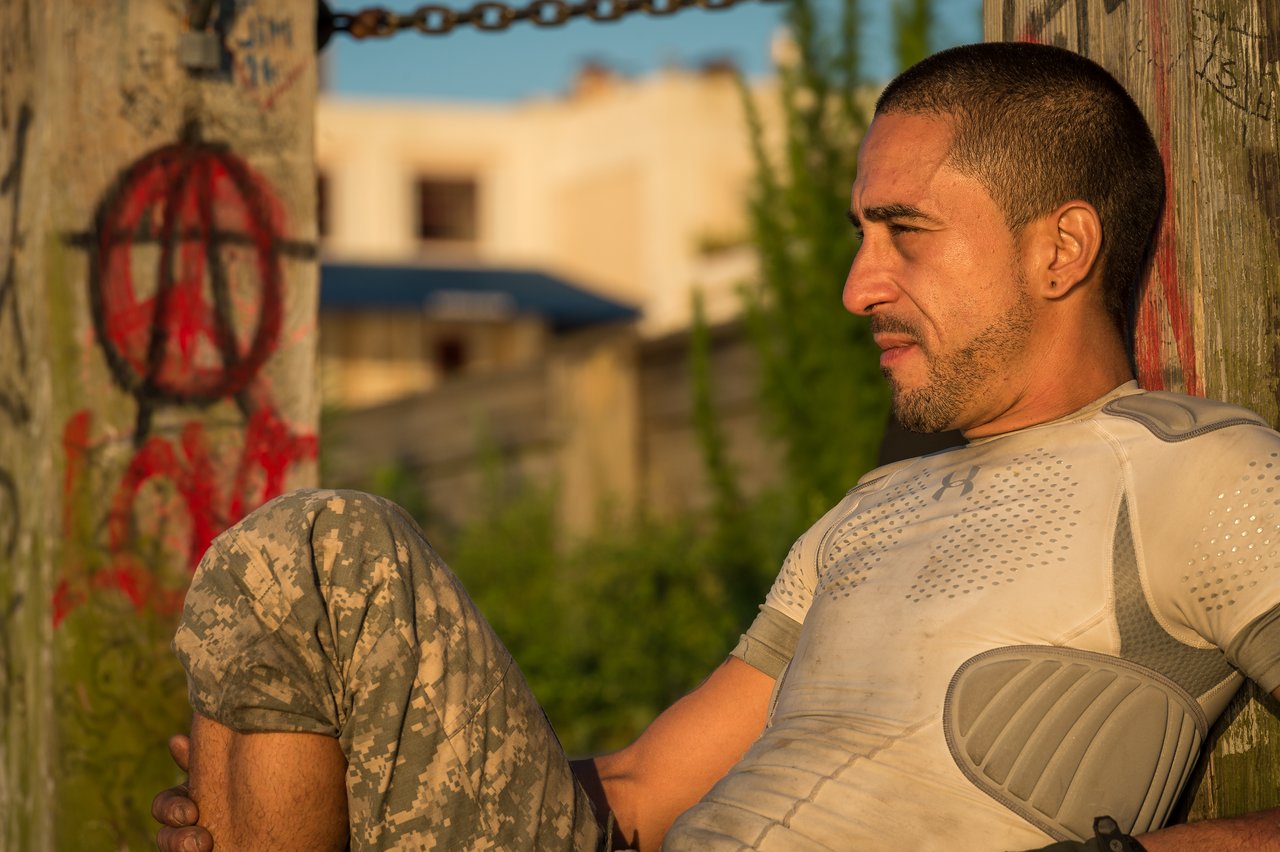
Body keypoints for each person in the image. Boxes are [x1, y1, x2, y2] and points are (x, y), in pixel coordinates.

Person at [153, 41, 1280, 851]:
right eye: (860, 234)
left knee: (329, 539)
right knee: (297, 557)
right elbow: (643, 788)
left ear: (1061, 249)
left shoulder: (1195, 475)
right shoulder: (866, 514)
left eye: (906, 233)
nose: (857, 286)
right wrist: (339, 791)